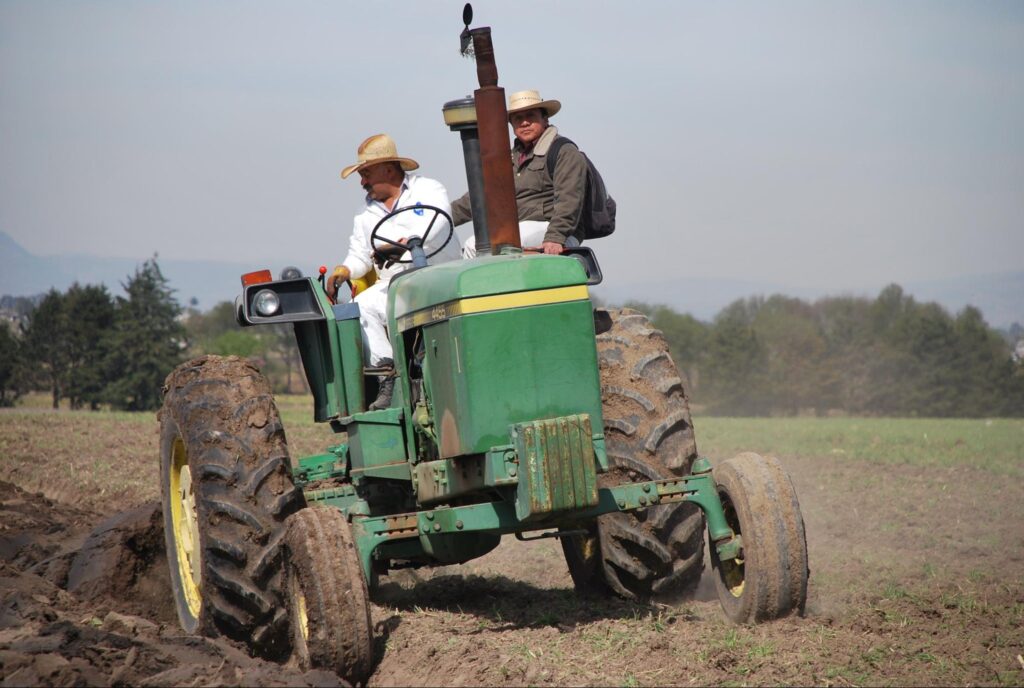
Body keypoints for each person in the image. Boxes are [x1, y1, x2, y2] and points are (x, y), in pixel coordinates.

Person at [326, 133, 461, 409]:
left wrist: (406, 244)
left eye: (365, 173)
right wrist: (344, 270)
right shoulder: (365, 215)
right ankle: (388, 376)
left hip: (439, 277)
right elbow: (360, 255)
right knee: (360, 306)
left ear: (388, 169)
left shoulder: (428, 190)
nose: (362, 182)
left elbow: (437, 222)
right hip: (397, 285)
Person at [451, 89, 588, 257]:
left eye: (531, 116)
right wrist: (437, 219)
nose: (524, 123)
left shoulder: (563, 151)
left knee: (476, 246)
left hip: (555, 231)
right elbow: (477, 200)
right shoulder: (509, 159)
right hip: (517, 230)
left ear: (545, 119)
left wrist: (555, 236)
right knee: (456, 249)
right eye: (518, 118)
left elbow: (569, 199)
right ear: (511, 124)